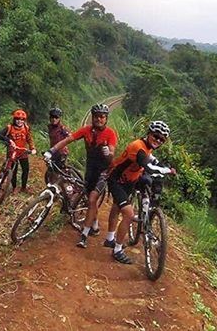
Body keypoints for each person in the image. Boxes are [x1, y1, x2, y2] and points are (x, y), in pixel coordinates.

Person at [44, 103, 117, 248]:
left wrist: (108, 153)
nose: (99, 119)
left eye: (102, 117)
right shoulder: (86, 130)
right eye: (96, 116)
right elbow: (67, 140)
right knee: (90, 201)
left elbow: (112, 152)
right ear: (92, 117)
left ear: (106, 118)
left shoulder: (110, 133)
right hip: (89, 170)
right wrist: (51, 151)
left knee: (91, 200)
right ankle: (95, 226)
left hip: (103, 171)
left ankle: (84, 235)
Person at [104, 120, 174, 264]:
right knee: (129, 214)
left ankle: (110, 239)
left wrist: (162, 165)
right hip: (117, 180)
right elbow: (148, 167)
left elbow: (152, 160)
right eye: (156, 136)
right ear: (149, 134)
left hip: (130, 181)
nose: (158, 140)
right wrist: (168, 170)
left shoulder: (147, 147)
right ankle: (117, 250)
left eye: (162, 139)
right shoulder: (138, 146)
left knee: (117, 207)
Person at [0, 109, 36, 193]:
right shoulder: (9, 127)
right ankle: (14, 187)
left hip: (22, 152)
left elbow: (29, 139)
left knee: (26, 169)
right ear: (14, 119)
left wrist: (32, 148)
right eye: (18, 119)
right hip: (12, 152)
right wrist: (8, 140)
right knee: (14, 170)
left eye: (22, 119)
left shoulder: (26, 128)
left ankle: (23, 187)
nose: (19, 121)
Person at [46, 107, 71, 181]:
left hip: (61, 152)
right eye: (52, 117)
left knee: (60, 170)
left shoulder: (62, 128)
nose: (54, 119)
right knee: (51, 169)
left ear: (59, 118)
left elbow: (70, 137)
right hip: (53, 151)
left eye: (56, 117)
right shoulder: (50, 127)